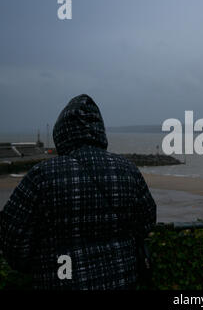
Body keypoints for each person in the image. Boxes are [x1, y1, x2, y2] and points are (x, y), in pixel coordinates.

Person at [0, 94, 156, 289]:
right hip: (123, 279)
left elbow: (13, 238)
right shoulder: (128, 170)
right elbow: (147, 221)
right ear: (100, 130)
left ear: (62, 132)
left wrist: (40, 265)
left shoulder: (43, 175)